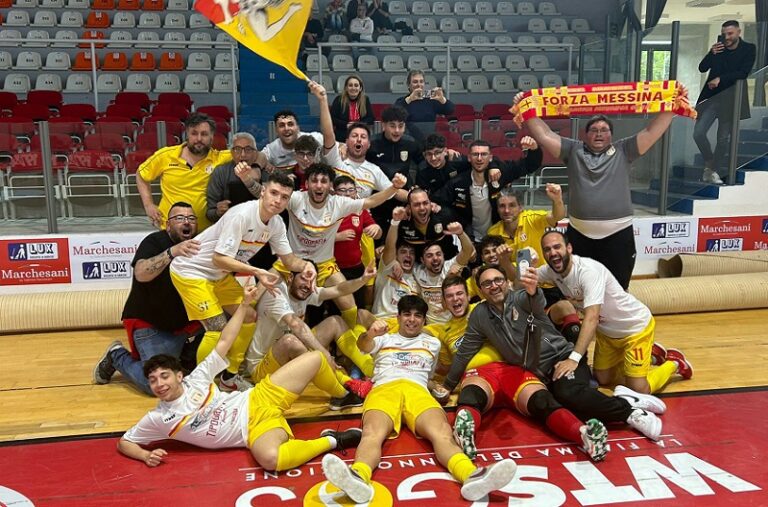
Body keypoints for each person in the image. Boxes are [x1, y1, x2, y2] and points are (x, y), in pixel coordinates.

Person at [117, 284, 363, 471]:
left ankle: (345, 392)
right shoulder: (157, 418)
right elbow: (124, 442)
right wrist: (144, 455)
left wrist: (245, 305)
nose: (159, 384)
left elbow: (225, 340)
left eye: (164, 376)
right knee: (271, 460)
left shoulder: (199, 377)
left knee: (314, 359)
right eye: (153, 380)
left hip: (259, 396)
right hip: (253, 428)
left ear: (179, 376)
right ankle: (331, 441)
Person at [321, 295, 517, 504]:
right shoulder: (384, 338)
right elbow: (363, 346)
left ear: (424, 320)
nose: (412, 319)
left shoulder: (432, 343)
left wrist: (438, 387)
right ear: (398, 317)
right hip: (385, 388)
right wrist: (370, 333)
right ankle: (358, 476)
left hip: (418, 390)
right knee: (372, 433)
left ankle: (471, 476)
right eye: (407, 314)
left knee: (441, 432)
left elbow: (429, 374)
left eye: (417, 316)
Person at [439, 265, 667, 444]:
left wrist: (533, 290)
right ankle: (626, 398)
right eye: (487, 283)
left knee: (570, 394)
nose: (494, 286)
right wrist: (449, 385)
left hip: (562, 358)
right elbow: (466, 349)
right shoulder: (480, 314)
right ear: (479, 290)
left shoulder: (520, 298)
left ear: (507, 283)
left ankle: (631, 412)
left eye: (498, 280)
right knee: (566, 407)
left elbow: (535, 301)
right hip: (539, 374)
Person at [515, 87, 685, 290]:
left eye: (604, 130)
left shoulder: (625, 150)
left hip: (618, 234)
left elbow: (651, 131)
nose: (599, 134)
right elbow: (544, 134)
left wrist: (672, 104)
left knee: (618, 289)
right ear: (585, 135)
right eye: (594, 130)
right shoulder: (572, 150)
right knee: (579, 288)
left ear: (611, 135)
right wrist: (527, 106)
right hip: (580, 235)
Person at [429, 276, 609, 462]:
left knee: (541, 400)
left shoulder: (484, 308)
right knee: (472, 396)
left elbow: (514, 294)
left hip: (512, 368)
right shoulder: (442, 331)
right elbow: (447, 360)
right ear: (443, 302)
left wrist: (522, 277)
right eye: (449, 296)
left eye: (459, 294)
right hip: (479, 374)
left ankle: (584, 435)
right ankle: (465, 433)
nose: (456, 299)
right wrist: (443, 384)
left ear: (469, 296)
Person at [170, 171, 317, 392]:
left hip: (218, 274)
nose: (278, 200)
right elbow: (218, 258)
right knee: (218, 329)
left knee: (249, 315)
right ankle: (199, 387)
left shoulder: (276, 223)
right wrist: (256, 271)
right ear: (263, 192)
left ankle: (229, 377)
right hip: (191, 271)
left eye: (284, 197)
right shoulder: (241, 215)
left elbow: (288, 260)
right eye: (274, 193)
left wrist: (306, 266)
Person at [538, 230, 693, 396]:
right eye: (547, 249)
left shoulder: (588, 272)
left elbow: (591, 318)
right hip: (608, 334)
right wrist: (507, 261)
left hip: (634, 329)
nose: (553, 253)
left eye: (557, 247)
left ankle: (673, 363)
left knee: (640, 389)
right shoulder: (551, 270)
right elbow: (521, 279)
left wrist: (573, 358)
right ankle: (651, 356)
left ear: (568, 248)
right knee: (603, 379)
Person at [93, 202, 203, 395]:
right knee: (154, 385)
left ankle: (185, 359)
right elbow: (141, 273)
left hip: (187, 322)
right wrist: (172, 252)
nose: (186, 222)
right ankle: (116, 355)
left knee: (228, 319)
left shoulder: (200, 244)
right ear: (168, 225)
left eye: (191, 218)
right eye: (179, 218)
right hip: (152, 324)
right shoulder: (154, 241)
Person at [244, 261, 378, 408]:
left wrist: (363, 279)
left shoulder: (306, 291)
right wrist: (324, 354)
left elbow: (339, 290)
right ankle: (345, 392)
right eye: (303, 278)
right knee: (290, 341)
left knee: (335, 322)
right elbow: (296, 325)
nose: (308, 285)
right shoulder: (275, 292)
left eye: (312, 280)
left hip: (291, 357)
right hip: (262, 368)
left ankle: (373, 369)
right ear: (290, 278)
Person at [433, 139, 543, 244]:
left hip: (499, 238)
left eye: (484, 154)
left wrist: (534, 149)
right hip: (470, 239)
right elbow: (438, 200)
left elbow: (530, 165)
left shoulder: (501, 173)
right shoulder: (458, 182)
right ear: (469, 158)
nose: (479, 159)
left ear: (490, 158)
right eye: (475, 154)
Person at [137, 113, 231, 231]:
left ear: (212, 136)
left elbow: (255, 155)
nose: (199, 139)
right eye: (194, 133)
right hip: (170, 231)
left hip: (208, 232)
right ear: (187, 134)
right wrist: (148, 205)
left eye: (204, 134)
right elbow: (141, 175)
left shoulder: (222, 158)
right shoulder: (166, 155)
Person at [694, 20, 756, 185]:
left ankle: (713, 171)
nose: (727, 37)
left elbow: (743, 72)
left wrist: (721, 79)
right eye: (724, 34)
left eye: (730, 34)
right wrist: (710, 53)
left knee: (723, 139)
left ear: (738, 32)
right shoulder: (718, 48)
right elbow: (702, 68)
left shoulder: (748, 49)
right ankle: (709, 163)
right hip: (712, 99)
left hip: (732, 100)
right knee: (698, 133)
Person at [333, 175, 382, 308]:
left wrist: (376, 228)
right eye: (342, 190)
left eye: (351, 190)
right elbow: (315, 237)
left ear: (356, 192)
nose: (347, 194)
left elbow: (377, 234)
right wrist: (337, 237)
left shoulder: (360, 210)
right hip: (333, 268)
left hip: (356, 267)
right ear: (334, 192)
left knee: (358, 306)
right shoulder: (327, 210)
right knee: (337, 308)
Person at [414, 221, 475, 323]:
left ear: (443, 256)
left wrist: (461, 233)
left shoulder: (450, 266)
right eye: (429, 256)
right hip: (433, 326)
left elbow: (468, 250)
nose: (435, 258)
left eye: (438, 254)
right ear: (422, 260)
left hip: (456, 322)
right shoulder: (417, 271)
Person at [370, 206, 419, 322]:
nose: (408, 255)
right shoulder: (388, 267)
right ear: (396, 255)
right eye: (403, 252)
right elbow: (390, 245)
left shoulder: (419, 277)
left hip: (405, 326)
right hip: (381, 322)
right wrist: (395, 222)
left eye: (411, 253)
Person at [206, 133, 269, 223]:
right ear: (231, 152)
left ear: (256, 152)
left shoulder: (265, 170)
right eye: (237, 150)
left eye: (248, 149)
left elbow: (271, 202)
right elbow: (209, 213)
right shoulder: (221, 172)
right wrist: (218, 212)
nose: (243, 155)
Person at [394, 70, 455, 142]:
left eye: (421, 81)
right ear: (408, 85)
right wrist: (410, 99)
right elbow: (394, 113)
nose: (419, 84)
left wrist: (442, 99)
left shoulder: (431, 100)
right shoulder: (402, 101)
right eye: (415, 82)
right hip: (408, 141)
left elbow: (450, 110)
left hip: (429, 140)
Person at [397, 187, 458, 259]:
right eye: (416, 205)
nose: (422, 208)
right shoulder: (401, 222)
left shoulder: (445, 217)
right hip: (417, 265)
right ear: (409, 208)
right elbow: (394, 246)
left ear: (431, 204)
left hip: (446, 263)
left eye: (425, 203)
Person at [329, 75, 374, 142]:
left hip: (360, 133)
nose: (353, 88)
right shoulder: (338, 100)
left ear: (360, 88)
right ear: (346, 88)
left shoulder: (365, 99)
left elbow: (370, 118)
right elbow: (332, 118)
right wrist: (346, 125)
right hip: (342, 134)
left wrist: (357, 125)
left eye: (356, 85)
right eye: (350, 85)